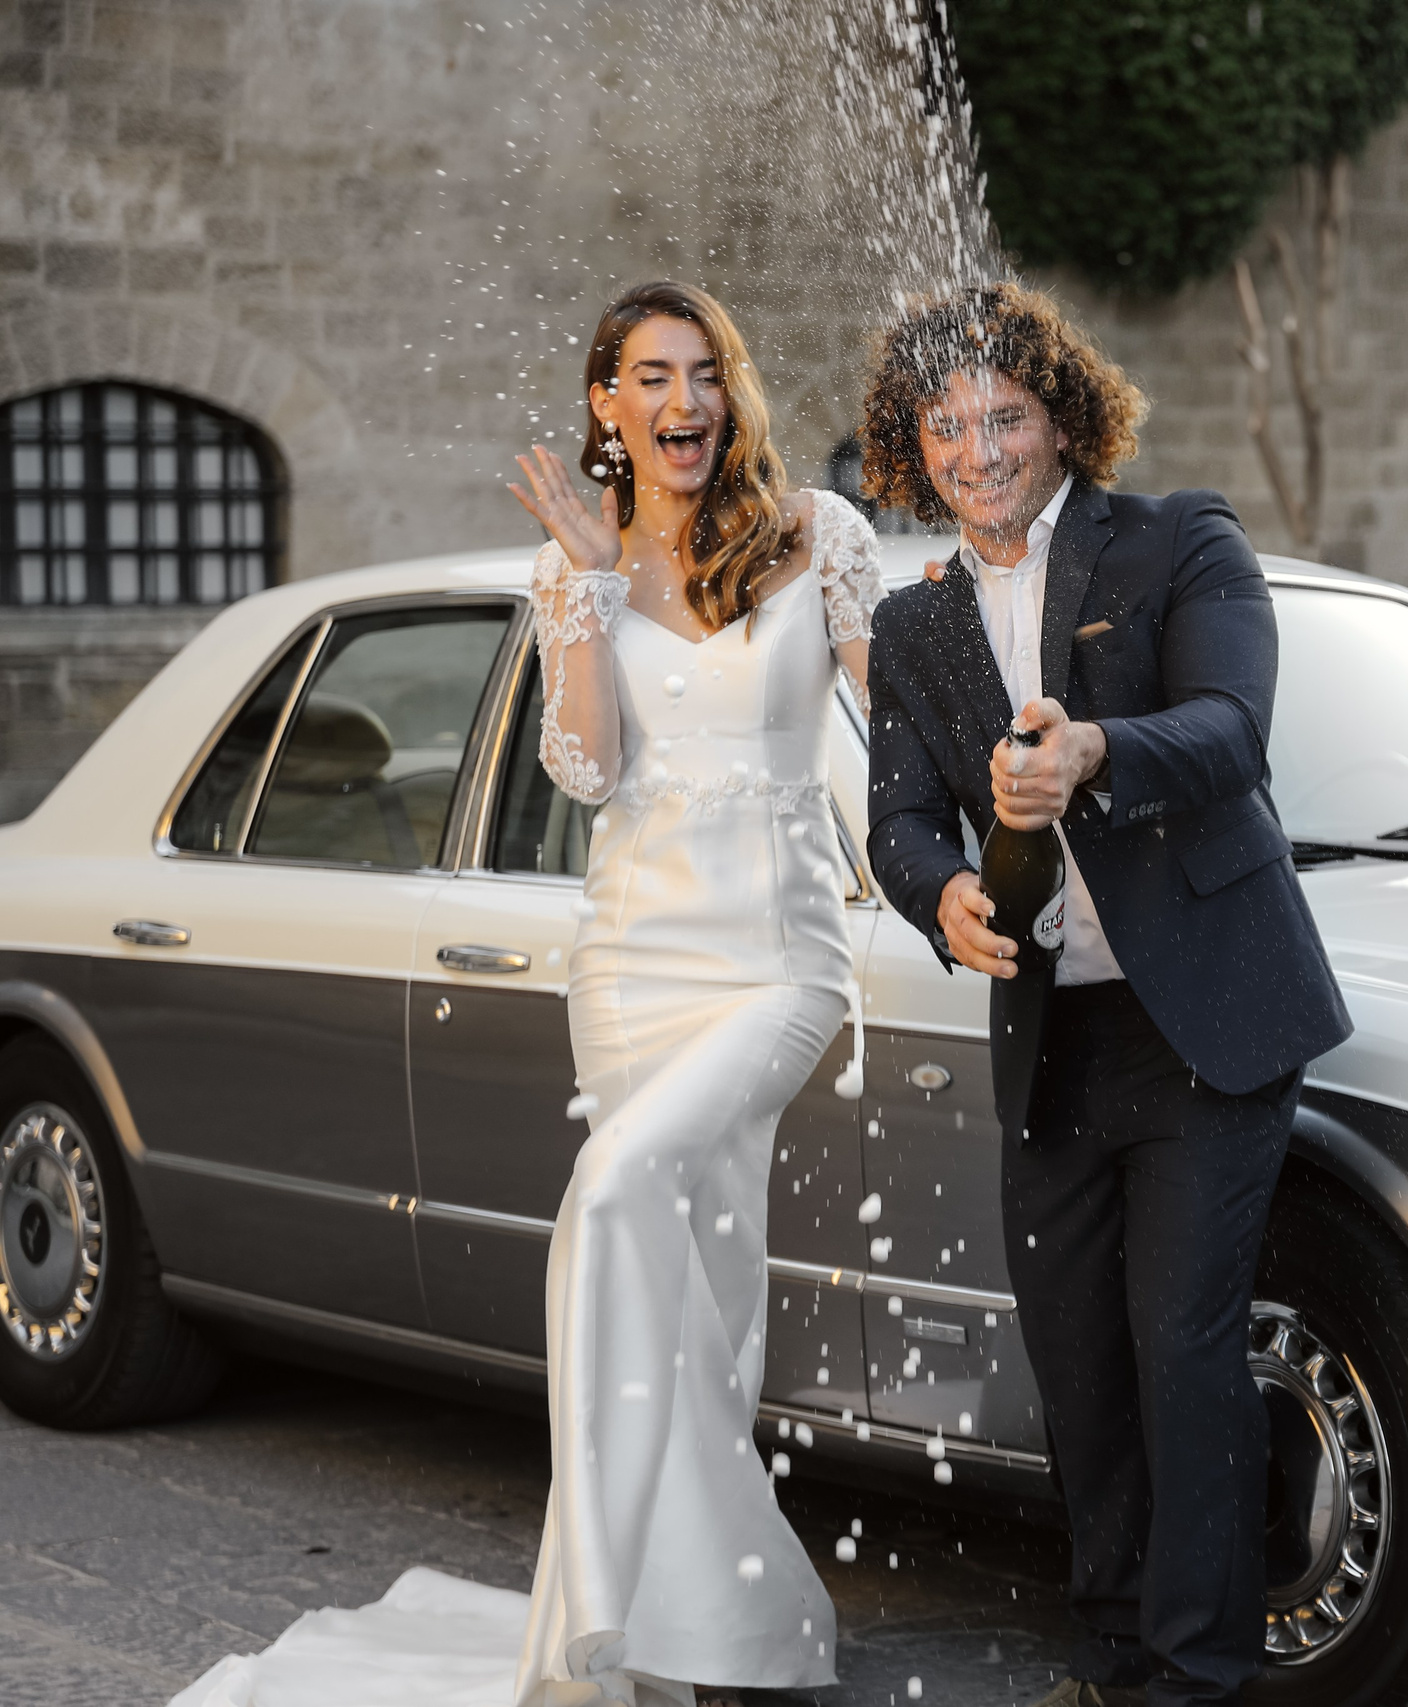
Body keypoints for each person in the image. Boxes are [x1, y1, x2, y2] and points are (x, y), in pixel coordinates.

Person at [165, 280, 883, 1707]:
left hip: (784, 964)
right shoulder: (579, 565)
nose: (683, 402)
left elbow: (895, 723)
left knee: (640, 1219)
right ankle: (704, 1633)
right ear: (609, 406)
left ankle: (676, 1618)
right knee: (682, 1294)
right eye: (650, 378)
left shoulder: (821, 539)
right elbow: (589, 772)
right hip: (632, 972)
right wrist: (591, 586)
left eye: (705, 374)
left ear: (729, 394)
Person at [860, 282, 1353, 1707]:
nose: (979, 449)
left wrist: (1089, 753)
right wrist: (938, 894)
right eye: (946, 425)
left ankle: (1199, 1679)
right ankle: (1116, 1658)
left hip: (1208, 1027)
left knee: (1183, 1354)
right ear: (912, 443)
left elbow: (1231, 730)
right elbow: (897, 819)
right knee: (1079, 1367)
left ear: (1064, 419)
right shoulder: (914, 624)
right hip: (1053, 1045)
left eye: (1005, 416)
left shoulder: (1178, 539)